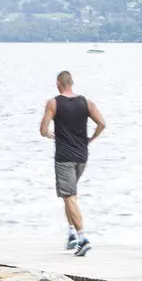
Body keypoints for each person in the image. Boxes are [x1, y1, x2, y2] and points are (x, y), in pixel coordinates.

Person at [40, 70, 106, 257]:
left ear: (58, 84)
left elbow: (43, 129)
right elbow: (102, 123)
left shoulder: (54, 103)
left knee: (69, 196)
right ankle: (71, 234)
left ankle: (82, 238)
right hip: (82, 156)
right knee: (70, 196)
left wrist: (49, 134)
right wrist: (90, 139)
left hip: (64, 157)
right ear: (72, 83)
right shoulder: (86, 102)